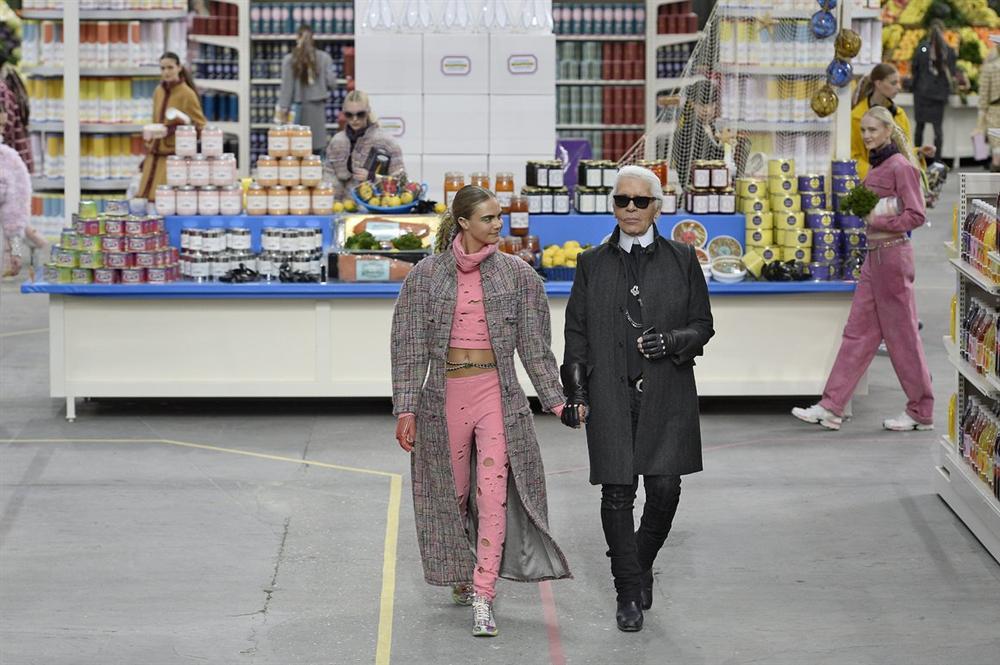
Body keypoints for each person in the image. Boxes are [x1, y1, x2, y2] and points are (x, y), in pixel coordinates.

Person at [390, 185, 571, 637]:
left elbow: (535, 346)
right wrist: (406, 408)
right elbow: (408, 345)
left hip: (497, 397)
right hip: (444, 399)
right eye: (488, 218)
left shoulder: (518, 275)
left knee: (492, 496)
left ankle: (484, 593)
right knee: (451, 495)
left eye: (499, 217)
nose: (498, 225)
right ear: (463, 223)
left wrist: (556, 400)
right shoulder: (426, 276)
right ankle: (460, 569)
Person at [561, 165, 714, 632]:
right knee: (617, 493)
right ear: (613, 206)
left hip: (667, 392)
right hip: (610, 393)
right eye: (622, 200)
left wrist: (672, 341)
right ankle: (627, 590)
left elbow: (702, 325)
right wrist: (575, 392)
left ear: (656, 208)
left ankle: (639, 563)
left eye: (640, 201)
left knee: (665, 489)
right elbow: (576, 333)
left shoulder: (683, 258)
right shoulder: (591, 262)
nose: (630, 208)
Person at [792, 106, 934, 433]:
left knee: (903, 337)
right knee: (857, 333)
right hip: (875, 259)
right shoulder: (879, 164)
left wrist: (878, 219)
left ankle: (921, 411)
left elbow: (916, 215)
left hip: (893, 258)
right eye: (864, 130)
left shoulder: (900, 166)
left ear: (888, 130)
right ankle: (832, 407)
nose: (867, 135)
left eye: (873, 130)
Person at [137, 52, 206, 202]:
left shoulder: (187, 94)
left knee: (166, 200)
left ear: (179, 68)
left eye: (170, 67)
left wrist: (176, 130)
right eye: (162, 68)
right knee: (146, 199)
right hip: (154, 153)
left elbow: (200, 126)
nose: (166, 72)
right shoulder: (158, 91)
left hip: (174, 158)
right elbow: (155, 119)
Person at [852, 63, 935, 179]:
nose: (899, 87)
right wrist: (876, 174)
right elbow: (852, 156)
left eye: (898, 82)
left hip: (898, 179)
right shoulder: (856, 117)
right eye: (893, 83)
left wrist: (919, 152)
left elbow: (904, 150)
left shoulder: (900, 115)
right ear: (878, 84)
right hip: (869, 183)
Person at [325, 90, 405, 197]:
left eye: (360, 114)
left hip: (378, 204)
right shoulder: (337, 142)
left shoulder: (387, 143)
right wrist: (334, 203)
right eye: (349, 115)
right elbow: (329, 178)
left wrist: (372, 177)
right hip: (343, 205)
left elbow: (400, 181)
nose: (354, 119)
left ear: (368, 112)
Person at [274, 24, 339, 153]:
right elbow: (332, 83)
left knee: (296, 148)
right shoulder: (324, 58)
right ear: (313, 38)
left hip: (296, 110)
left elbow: (286, 90)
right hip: (317, 109)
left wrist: (281, 113)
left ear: (297, 38)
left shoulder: (289, 60)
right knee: (316, 149)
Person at [909, 20, 961, 165]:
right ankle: (937, 160)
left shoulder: (922, 48)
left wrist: (913, 86)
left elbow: (914, 69)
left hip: (921, 93)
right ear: (943, 31)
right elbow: (952, 72)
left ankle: (917, 158)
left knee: (919, 127)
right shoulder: (949, 51)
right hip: (938, 95)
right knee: (938, 129)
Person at [0, 103, 30, 277]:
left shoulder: (8, 161)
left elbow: (15, 216)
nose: (2, 132)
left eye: (2, 125)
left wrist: (16, 252)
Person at [976, 44, 1000, 172]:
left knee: (997, 153)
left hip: (994, 113)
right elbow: (983, 97)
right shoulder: (990, 68)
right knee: (997, 152)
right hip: (994, 113)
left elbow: (983, 97)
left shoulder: (988, 68)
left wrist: (980, 123)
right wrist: (980, 124)